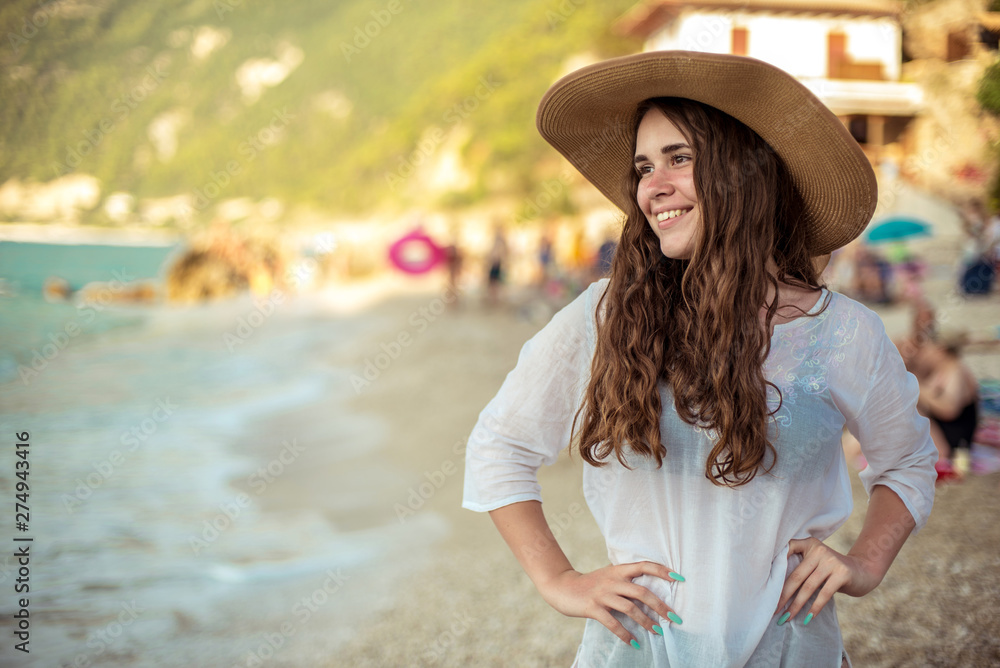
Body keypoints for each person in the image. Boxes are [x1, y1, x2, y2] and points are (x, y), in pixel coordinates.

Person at [462, 51, 937, 667]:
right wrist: (559, 580)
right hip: (637, 649)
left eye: (680, 159)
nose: (652, 187)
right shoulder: (609, 314)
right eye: (643, 167)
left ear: (745, 172)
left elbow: (907, 460)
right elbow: (500, 444)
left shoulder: (841, 332)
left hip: (791, 649)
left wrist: (865, 564)